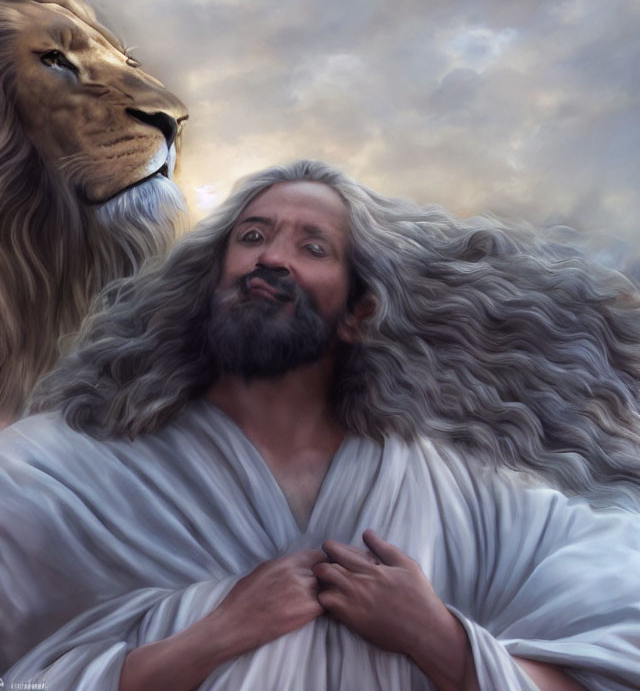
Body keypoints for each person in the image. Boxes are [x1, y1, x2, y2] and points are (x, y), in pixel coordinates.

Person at [1, 159, 639, 691]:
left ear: (360, 311)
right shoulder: (69, 468)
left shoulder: (457, 487)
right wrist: (213, 633)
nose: (271, 258)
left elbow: (615, 647)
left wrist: (439, 638)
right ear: (208, 283)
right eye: (252, 237)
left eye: (312, 247)